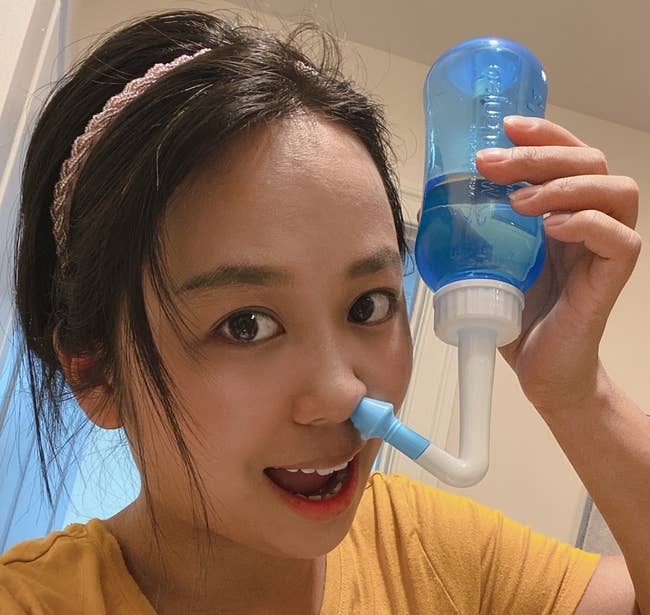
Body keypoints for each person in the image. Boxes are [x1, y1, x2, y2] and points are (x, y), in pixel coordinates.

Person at [0, 9, 646, 615]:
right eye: (247, 325)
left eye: (368, 305)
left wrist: (578, 392)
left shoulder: (422, 546)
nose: (345, 395)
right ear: (95, 374)